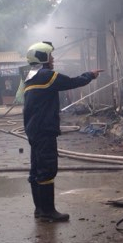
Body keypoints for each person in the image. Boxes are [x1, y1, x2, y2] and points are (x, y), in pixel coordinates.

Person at [23, 41, 102, 221]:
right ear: (42, 57)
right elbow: (72, 82)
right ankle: (49, 212)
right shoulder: (46, 76)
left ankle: (40, 210)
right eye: (50, 56)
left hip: (34, 130)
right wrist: (90, 75)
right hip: (44, 130)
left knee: (36, 169)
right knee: (48, 168)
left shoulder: (31, 76)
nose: (52, 59)